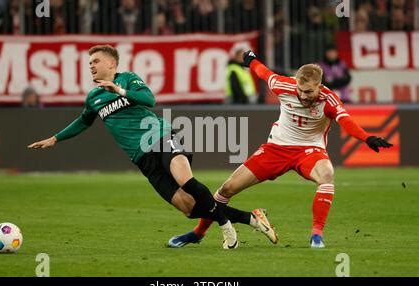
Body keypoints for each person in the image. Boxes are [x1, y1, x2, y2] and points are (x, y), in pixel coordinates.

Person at [27, 45, 273, 249]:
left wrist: (121, 90)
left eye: (95, 61)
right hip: (141, 158)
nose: (90, 65)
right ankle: (249, 218)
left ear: (111, 64)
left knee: (186, 179)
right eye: (89, 62)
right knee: (188, 208)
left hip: (158, 136)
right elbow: (84, 121)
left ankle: (225, 228)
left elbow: (149, 100)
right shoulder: (93, 98)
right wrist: (55, 138)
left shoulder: (128, 79)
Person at [168, 50, 393, 249]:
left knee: (327, 175)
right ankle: (198, 233)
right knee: (226, 189)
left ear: (319, 86)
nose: (304, 96)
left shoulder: (329, 99)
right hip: (276, 149)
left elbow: (346, 121)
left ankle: (316, 235)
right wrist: (251, 60)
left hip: (309, 151)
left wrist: (366, 138)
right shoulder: (284, 85)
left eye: (308, 92)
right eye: (301, 90)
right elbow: (264, 72)